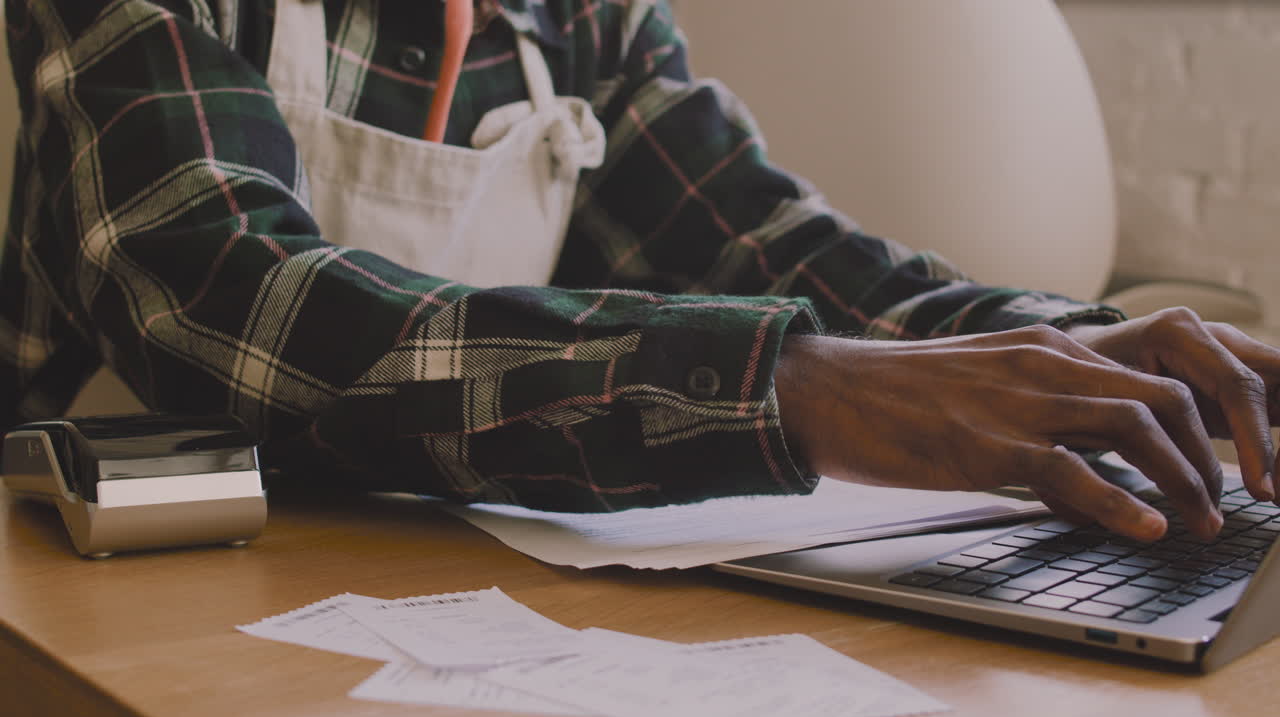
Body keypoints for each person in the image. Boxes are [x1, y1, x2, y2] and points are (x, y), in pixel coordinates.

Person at [2, 0, 1277, 545]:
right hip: (103, 586)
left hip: (426, 586)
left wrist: (1058, 346)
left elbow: (763, 242)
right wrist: (790, 387)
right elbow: (228, 300)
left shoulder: (583, 19)